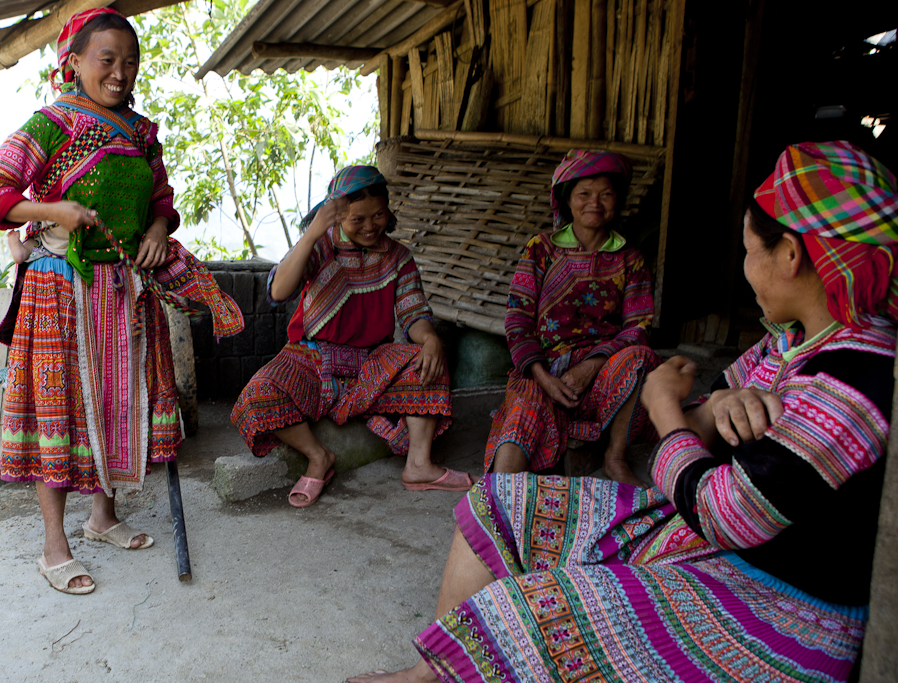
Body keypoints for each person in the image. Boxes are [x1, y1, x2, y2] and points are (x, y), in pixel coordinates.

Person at [347, 140, 895, 683]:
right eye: (585, 193)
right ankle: (427, 675)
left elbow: (725, 510)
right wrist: (701, 412)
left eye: (750, 250)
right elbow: (695, 432)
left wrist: (664, 408)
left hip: (775, 605)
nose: (746, 266)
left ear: (792, 255)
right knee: (496, 498)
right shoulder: (788, 342)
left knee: (529, 609)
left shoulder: (855, 378)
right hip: (702, 527)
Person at [0, 8, 241, 594]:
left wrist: (153, 233)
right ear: (73, 63)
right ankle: (54, 545)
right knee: (61, 410)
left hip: (123, 288)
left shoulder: (142, 133)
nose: (120, 73)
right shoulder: (48, 125)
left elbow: (163, 200)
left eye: (130, 62)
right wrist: (52, 211)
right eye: (106, 60)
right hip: (58, 289)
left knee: (119, 401)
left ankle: (102, 517)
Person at [231, 166, 473, 507]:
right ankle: (319, 457)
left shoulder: (398, 257)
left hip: (369, 362)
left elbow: (413, 314)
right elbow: (279, 289)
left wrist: (430, 339)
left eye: (378, 215)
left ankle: (419, 465)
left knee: (428, 359)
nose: (370, 226)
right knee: (258, 395)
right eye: (358, 218)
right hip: (311, 358)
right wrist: (314, 232)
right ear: (338, 215)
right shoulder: (321, 246)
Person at [485, 150, 661, 485]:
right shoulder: (542, 248)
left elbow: (637, 327)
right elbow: (517, 318)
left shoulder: (630, 259)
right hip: (544, 370)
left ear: (618, 200)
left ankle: (615, 458)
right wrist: (542, 376)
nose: (595, 203)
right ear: (567, 200)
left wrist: (591, 365)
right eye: (584, 194)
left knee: (641, 358)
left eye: (606, 194)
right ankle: (499, 495)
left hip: (601, 374)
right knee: (523, 415)